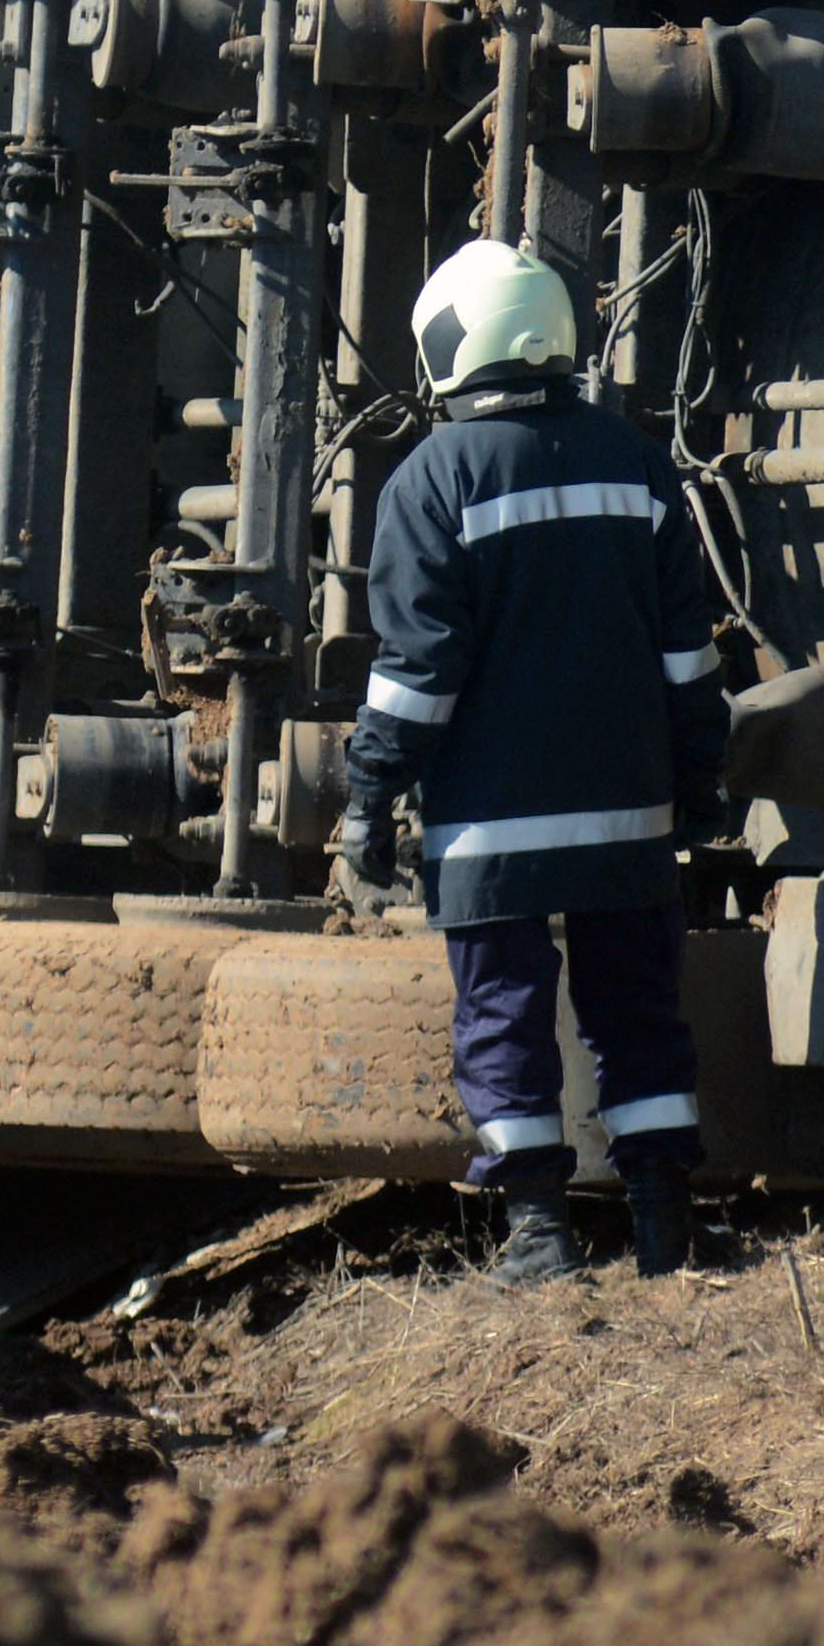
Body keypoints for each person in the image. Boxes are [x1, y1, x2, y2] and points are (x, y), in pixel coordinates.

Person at [337, 240, 735, 1286]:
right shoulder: (636, 462)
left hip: (490, 829)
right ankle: (662, 1225)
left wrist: (369, 791)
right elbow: (687, 658)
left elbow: (417, 671)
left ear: (453, 347)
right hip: (624, 820)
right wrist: (698, 784)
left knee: (502, 1016)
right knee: (638, 1013)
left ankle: (537, 1236)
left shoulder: (431, 480)